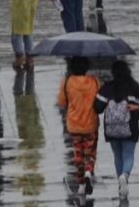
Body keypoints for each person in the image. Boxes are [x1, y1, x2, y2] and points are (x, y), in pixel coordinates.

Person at [95, 60, 139, 201]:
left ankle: (121, 186)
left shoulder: (108, 87)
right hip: (130, 127)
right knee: (128, 155)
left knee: (117, 156)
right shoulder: (134, 87)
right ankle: (124, 176)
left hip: (112, 128)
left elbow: (97, 108)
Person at [57, 56, 101, 197]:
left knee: (78, 153)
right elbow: (100, 99)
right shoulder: (94, 81)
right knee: (90, 151)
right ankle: (89, 171)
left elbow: (62, 102)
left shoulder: (67, 82)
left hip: (74, 124)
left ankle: (81, 184)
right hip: (91, 123)